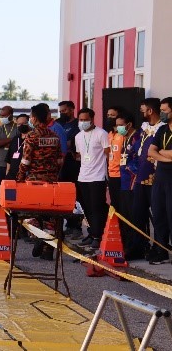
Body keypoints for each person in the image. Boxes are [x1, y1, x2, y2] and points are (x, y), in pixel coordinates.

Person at [16, 105, 62, 259]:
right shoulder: (54, 136)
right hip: (51, 182)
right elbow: (59, 160)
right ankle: (48, 250)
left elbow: (26, 161)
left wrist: (19, 179)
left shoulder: (32, 136)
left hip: (34, 182)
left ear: (34, 118)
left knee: (31, 214)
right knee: (50, 215)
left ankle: (37, 237)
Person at [130, 98, 163, 260]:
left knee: (158, 216)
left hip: (156, 178)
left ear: (150, 111)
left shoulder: (163, 129)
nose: (141, 113)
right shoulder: (144, 128)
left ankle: (159, 248)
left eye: (143, 110)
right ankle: (139, 246)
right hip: (140, 177)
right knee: (138, 214)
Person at [75, 108, 110, 250]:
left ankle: (98, 235)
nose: (83, 122)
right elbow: (79, 156)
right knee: (86, 208)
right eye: (81, 120)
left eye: (85, 119)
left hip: (98, 177)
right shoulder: (78, 136)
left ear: (92, 119)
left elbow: (108, 154)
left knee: (97, 208)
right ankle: (91, 233)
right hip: (83, 177)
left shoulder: (101, 134)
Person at [147, 97, 172, 264]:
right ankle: (162, 250)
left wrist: (160, 153)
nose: (161, 113)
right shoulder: (162, 129)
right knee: (158, 214)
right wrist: (166, 155)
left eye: (165, 111)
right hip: (161, 177)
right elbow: (151, 151)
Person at [57, 100, 83, 239]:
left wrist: (66, 143)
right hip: (60, 167)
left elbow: (73, 143)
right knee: (62, 196)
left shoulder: (78, 125)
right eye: (60, 111)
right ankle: (64, 225)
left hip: (74, 165)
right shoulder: (58, 123)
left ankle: (76, 226)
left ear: (72, 109)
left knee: (75, 196)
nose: (62, 113)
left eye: (65, 110)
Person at [116, 112, 139, 257]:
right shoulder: (125, 138)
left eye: (120, 125)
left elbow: (139, 159)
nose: (118, 128)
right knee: (124, 215)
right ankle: (127, 245)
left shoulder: (136, 138)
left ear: (129, 124)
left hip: (132, 182)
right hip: (123, 181)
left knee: (133, 217)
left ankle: (135, 248)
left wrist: (131, 170)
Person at [0, 105, 19, 197]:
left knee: (12, 188)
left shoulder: (17, 128)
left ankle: (10, 207)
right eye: (1, 116)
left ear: (11, 115)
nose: (2, 118)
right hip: (0, 164)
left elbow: (20, 142)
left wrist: (2, 142)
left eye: (4, 116)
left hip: (14, 165)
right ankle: (1, 202)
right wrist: (12, 140)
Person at [106, 106, 124, 214]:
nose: (109, 118)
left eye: (112, 115)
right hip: (111, 174)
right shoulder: (109, 134)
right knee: (114, 204)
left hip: (122, 175)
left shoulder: (122, 134)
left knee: (123, 205)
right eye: (108, 115)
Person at [4, 114, 30, 180]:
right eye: (19, 124)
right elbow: (9, 159)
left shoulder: (32, 139)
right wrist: (7, 174)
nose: (21, 125)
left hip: (26, 177)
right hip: (12, 176)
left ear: (29, 123)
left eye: (24, 123)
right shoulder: (15, 139)